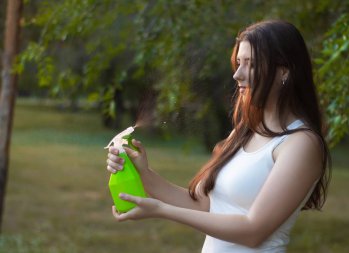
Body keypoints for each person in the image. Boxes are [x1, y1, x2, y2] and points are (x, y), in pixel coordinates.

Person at [106, 20, 331, 253]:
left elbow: (253, 231)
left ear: (284, 71)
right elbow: (204, 205)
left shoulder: (301, 144)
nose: (237, 74)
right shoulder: (243, 132)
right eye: (238, 63)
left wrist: (161, 210)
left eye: (251, 65)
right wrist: (143, 173)